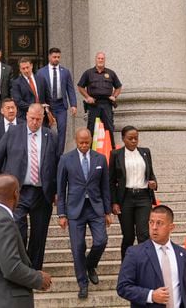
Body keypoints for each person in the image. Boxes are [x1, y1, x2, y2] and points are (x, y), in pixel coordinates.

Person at [0, 103, 58, 270]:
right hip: (17, 192)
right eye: (32, 119)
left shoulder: (51, 136)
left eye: (38, 119)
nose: (35, 122)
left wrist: (57, 191)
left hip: (42, 192)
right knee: (18, 229)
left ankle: (35, 269)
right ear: (26, 116)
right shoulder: (13, 132)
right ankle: (20, 265)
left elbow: (56, 164)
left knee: (39, 234)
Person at [0, 173, 53, 308]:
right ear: (16, 194)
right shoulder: (3, 222)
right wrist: (38, 279)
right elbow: (11, 267)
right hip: (7, 302)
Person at [57, 128, 112, 299]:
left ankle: (90, 264)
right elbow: (61, 188)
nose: (84, 145)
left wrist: (107, 211)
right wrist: (61, 214)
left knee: (101, 240)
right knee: (78, 247)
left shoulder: (100, 159)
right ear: (75, 140)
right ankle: (83, 284)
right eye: (81, 142)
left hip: (95, 207)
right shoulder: (66, 159)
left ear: (90, 140)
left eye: (87, 142)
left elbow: (105, 187)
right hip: (75, 209)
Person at [117, 205, 186, 308]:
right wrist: (150, 295)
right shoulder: (134, 253)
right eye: (151, 222)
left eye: (159, 223)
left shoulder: (183, 254)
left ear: (171, 227)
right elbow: (123, 287)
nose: (154, 227)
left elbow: (183, 290)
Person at [109, 125, 158, 260]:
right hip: (125, 198)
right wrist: (114, 202)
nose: (134, 141)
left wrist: (154, 183)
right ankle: (127, 264)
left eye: (136, 138)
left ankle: (145, 263)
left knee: (143, 234)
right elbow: (111, 181)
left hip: (143, 197)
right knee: (128, 236)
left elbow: (151, 174)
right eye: (130, 138)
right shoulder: (116, 154)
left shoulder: (145, 152)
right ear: (123, 139)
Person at [36, 47, 78, 155]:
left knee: (62, 129)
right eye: (54, 57)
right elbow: (38, 90)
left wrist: (73, 104)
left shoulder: (65, 72)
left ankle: (59, 154)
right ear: (49, 57)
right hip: (47, 105)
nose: (56, 59)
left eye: (58, 57)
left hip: (61, 105)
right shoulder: (41, 72)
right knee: (46, 129)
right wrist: (40, 105)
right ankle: (46, 151)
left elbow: (70, 89)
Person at [77, 52, 122, 148]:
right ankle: (88, 150)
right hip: (94, 104)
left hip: (106, 104)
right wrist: (87, 97)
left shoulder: (110, 73)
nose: (100, 60)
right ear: (95, 59)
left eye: (102, 59)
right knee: (91, 128)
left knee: (109, 128)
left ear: (104, 60)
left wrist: (114, 96)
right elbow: (80, 86)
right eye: (99, 58)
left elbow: (118, 87)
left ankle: (112, 150)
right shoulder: (88, 73)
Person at [12, 57, 51, 122]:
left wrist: (50, 112)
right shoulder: (16, 83)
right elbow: (18, 101)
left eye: (27, 67)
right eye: (23, 68)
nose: (26, 70)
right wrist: (35, 108)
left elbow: (48, 97)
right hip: (25, 117)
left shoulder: (41, 79)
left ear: (31, 66)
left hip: (42, 117)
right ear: (20, 69)